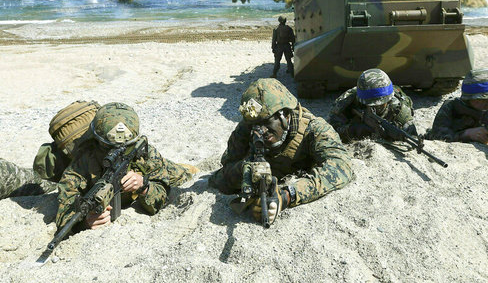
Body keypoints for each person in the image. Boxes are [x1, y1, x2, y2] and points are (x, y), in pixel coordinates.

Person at [209, 78, 353, 225]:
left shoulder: (315, 129)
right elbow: (222, 174)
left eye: (267, 123)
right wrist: (243, 170)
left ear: (284, 115)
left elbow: (341, 167)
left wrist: (287, 196)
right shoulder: (248, 127)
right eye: (255, 125)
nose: (261, 131)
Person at [55, 102, 192, 232]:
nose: (116, 152)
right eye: (108, 147)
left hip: (160, 169)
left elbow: (162, 196)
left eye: (126, 147)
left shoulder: (146, 155)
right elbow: (64, 211)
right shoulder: (82, 162)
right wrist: (85, 223)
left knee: (185, 174)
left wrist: (144, 186)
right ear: (97, 141)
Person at [329, 68, 417, 143]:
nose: (376, 107)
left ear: (389, 99)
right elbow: (330, 131)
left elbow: (411, 134)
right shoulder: (346, 101)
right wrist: (353, 130)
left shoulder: (400, 110)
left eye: (381, 104)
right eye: (370, 104)